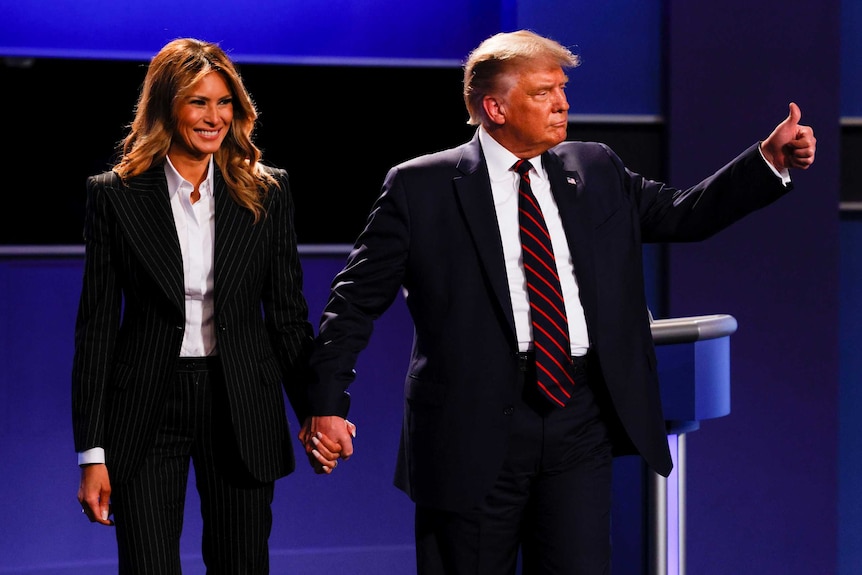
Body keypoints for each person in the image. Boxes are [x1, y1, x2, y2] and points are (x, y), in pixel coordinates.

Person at [300, 29, 816, 575]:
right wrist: (327, 401)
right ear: (494, 107)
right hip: (469, 426)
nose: (564, 103)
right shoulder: (421, 186)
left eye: (563, 88)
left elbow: (685, 213)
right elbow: (354, 301)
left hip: (579, 415)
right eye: (545, 92)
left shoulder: (595, 168)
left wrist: (766, 160)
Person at [71, 37, 340, 574]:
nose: (214, 116)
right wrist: (92, 453)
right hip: (146, 403)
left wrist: (316, 407)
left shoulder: (267, 191)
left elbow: (287, 317)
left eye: (224, 102)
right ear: (168, 106)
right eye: (199, 101)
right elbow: (96, 329)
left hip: (239, 400)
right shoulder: (114, 195)